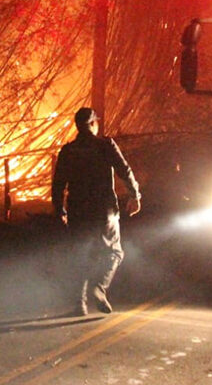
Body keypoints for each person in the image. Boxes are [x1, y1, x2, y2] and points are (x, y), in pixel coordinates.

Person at [51, 107, 141, 316]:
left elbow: (58, 184)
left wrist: (60, 209)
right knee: (114, 252)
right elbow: (124, 170)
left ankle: (79, 305)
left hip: (78, 211)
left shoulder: (68, 151)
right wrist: (134, 195)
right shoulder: (105, 145)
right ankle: (99, 287)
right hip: (104, 210)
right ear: (92, 124)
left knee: (81, 255)